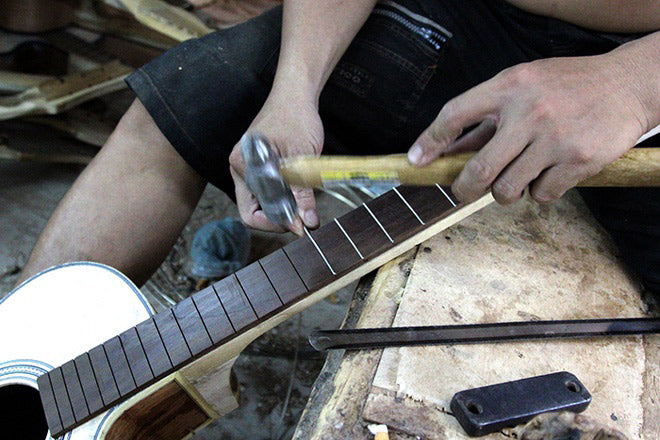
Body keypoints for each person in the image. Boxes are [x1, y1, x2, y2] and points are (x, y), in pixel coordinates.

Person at [16, 0, 659, 292]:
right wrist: (292, 91)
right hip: (473, 13)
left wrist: (630, 86)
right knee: (191, 97)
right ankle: (21, 362)